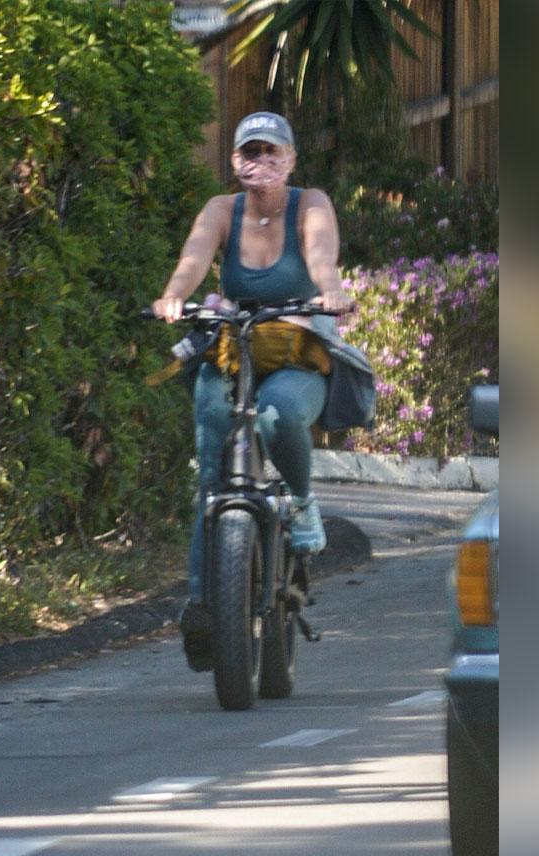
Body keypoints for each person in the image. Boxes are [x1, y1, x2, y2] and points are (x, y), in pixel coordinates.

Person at [150, 111, 356, 666]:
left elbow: (321, 256)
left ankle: (304, 503)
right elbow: (193, 261)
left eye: (272, 152)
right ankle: (202, 603)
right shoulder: (222, 210)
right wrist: (174, 296)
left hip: (294, 346)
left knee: (280, 414)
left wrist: (330, 290)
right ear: (235, 162)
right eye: (249, 152)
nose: (260, 162)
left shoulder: (309, 203)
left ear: (290, 160)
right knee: (213, 468)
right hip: (234, 346)